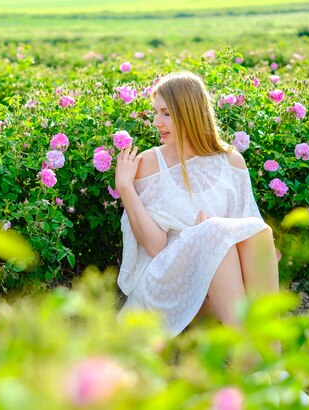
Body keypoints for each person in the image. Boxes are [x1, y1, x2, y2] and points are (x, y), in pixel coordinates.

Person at [115, 71, 279, 337]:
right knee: (214, 234)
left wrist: (210, 233)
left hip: (223, 283)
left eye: (166, 113)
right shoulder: (149, 163)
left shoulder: (232, 161)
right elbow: (156, 247)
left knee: (259, 233)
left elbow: (247, 231)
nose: (157, 122)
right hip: (165, 281)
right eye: (156, 112)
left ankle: (273, 359)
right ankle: (253, 361)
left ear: (190, 113)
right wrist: (125, 188)